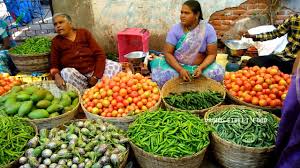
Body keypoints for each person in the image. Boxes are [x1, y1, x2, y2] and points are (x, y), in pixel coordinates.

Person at [150, 0, 224, 87]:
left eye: (186, 13)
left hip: (200, 67)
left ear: (196, 15)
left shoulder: (207, 29)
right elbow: (168, 53)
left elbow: (212, 54)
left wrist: (201, 68)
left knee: (217, 74)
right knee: (162, 77)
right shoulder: (175, 29)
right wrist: (180, 70)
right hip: (178, 67)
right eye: (181, 12)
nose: (182, 16)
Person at [50, 13, 122, 92]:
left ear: (70, 23)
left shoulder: (83, 33)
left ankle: (98, 87)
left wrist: (96, 76)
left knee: (116, 66)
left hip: (94, 69)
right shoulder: (56, 42)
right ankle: (86, 91)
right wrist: (56, 76)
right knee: (66, 72)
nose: (58, 26)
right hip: (78, 76)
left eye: (61, 22)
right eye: (55, 24)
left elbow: (100, 54)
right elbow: (54, 64)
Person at [275, 51, 300, 167]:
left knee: (297, 140)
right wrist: (293, 75)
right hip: (298, 81)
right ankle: (275, 156)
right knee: (286, 121)